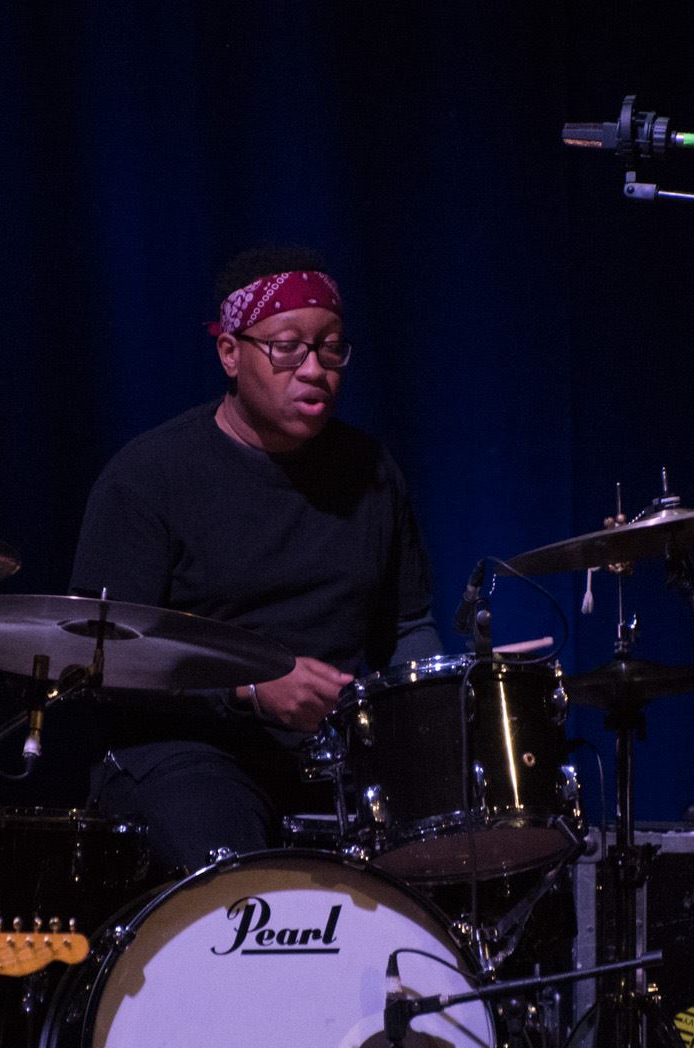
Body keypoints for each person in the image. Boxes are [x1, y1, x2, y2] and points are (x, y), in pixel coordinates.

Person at [70, 246, 442, 874]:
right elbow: (103, 659)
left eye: (331, 348)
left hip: (332, 753)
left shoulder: (370, 471)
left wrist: (432, 704)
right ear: (229, 353)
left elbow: (406, 626)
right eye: (288, 348)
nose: (315, 369)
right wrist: (250, 689)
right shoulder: (150, 476)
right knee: (241, 873)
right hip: (187, 749)